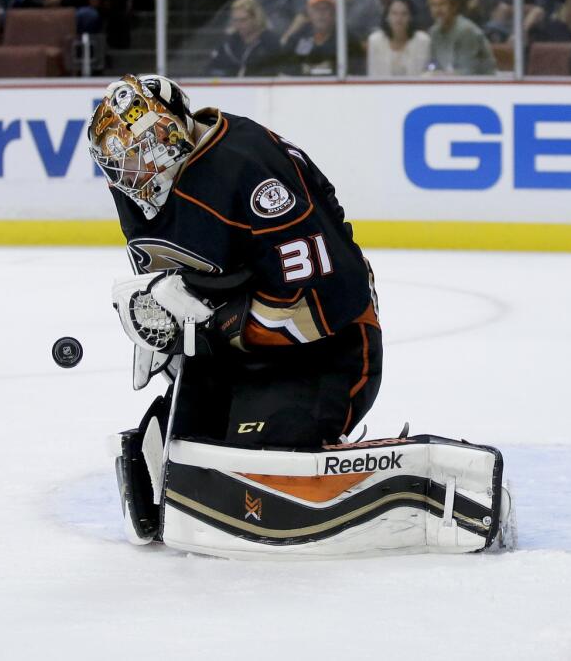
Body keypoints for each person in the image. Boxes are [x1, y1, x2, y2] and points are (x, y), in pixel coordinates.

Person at [87, 73, 382, 545]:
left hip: (330, 347)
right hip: (236, 354)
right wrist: (162, 326)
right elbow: (179, 279)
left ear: (176, 127)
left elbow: (323, 301)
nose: (136, 172)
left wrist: (220, 325)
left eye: (144, 151)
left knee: (256, 456)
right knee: (183, 452)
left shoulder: (248, 164)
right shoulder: (135, 187)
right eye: (123, 162)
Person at [283, 0, 360, 75]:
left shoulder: (347, 38)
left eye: (325, 9)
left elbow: (358, 70)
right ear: (309, 12)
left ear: (334, 13)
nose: (321, 13)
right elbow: (283, 65)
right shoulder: (297, 37)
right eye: (316, 9)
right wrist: (302, 69)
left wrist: (333, 68)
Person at [206, 0, 288, 77]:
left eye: (243, 20)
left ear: (255, 18)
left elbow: (275, 71)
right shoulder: (228, 42)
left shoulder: (270, 42)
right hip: (231, 87)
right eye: (235, 20)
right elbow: (212, 70)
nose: (238, 25)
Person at [426, 0, 496, 74]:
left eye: (442, 4)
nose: (437, 10)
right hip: (448, 84)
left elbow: (467, 72)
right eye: (433, 5)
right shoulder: (434, 32)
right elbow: (434, 65)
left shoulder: (466, 31)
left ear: (454, 6)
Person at [367, 0, 431, 76]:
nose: (399, 19)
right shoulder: (375, 40)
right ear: (387, 17)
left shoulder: (422, 40)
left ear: (411, 17)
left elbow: (422, 76)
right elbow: (373, 75)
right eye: (394, 13)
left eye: (404, 14)